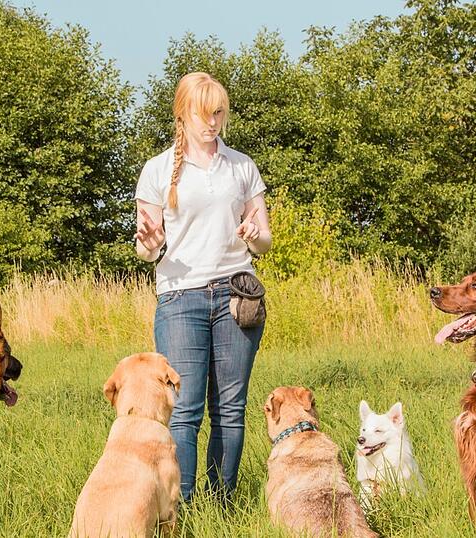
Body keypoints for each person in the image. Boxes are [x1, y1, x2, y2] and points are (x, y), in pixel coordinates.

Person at [133, 71, 272, 503]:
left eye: (219, 113)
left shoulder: (241, 166)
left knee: (230, 411)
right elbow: (146, 249)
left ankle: (222, 506)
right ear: (182, 113)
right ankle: (184, 508)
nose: (212, 122)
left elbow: (264, 241)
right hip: (180, 298)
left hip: (236, 296)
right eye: (203, 113)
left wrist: (252, 232)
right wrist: (151, 242)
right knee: (184, 411)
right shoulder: (156, 170)